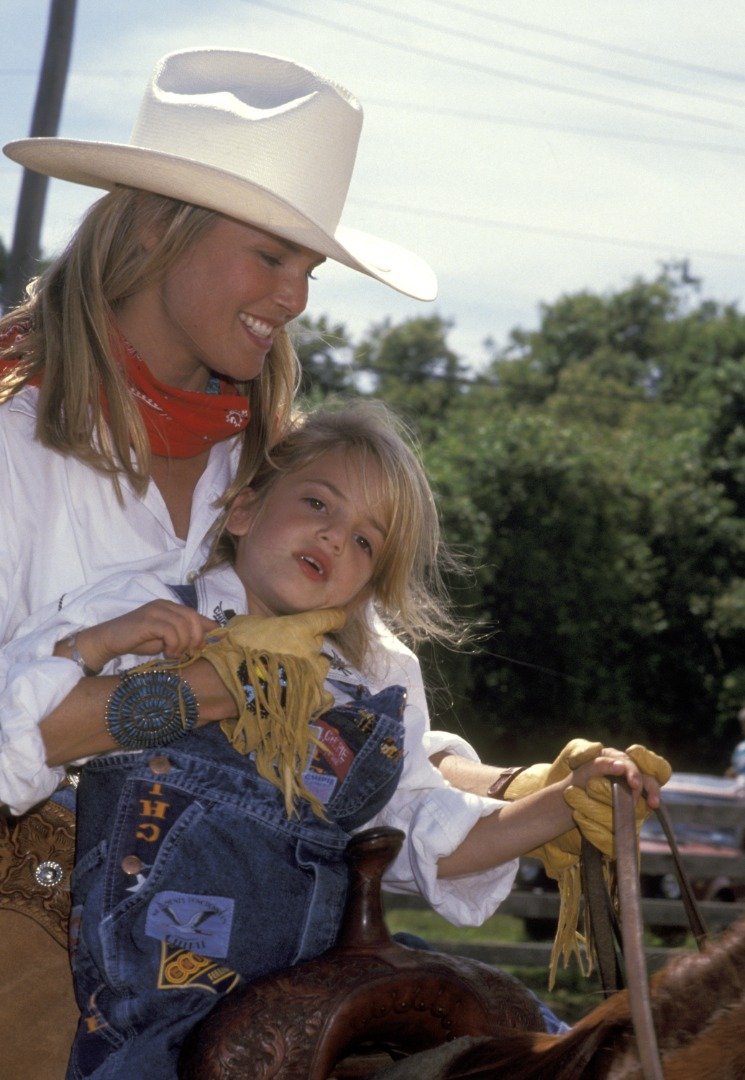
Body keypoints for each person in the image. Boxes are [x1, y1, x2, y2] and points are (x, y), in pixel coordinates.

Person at [1, 401, 669, 1079]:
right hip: (163, 993)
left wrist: (561, 803)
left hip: (315, 968)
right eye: (317, 503)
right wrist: (95, 644)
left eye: (363, 542)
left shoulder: (363, 683)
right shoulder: (144, 607)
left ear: (362, 592)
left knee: (534, 1038)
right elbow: (14, 722)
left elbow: (422, 825)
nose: (333, 537)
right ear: (242, 511)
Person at [0, 46, 438, 1078]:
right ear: (158, 225)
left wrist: (510, 788)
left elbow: (352, 692)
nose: (293, 299)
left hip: (257, 937)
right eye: (272, 258)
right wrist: (208, 692)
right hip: (34, 935)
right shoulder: (11, 445)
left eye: (307, 272)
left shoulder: (273, 466)